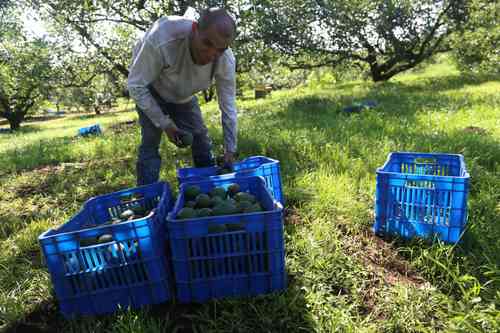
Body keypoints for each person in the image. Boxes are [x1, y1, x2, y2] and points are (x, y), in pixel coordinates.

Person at [128, 8, 238, 186]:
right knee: (150, 142)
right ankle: (146, 196)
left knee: (200, 138)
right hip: (150, 89)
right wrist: (165, 124)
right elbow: (136, 85)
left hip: (183, 95)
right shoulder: (162, 38)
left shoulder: (225, 59)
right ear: (195, 29)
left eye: (220, 49)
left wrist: (230, 150)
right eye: (207, 43)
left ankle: (208, 187)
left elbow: (229, 106)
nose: (211, 54)